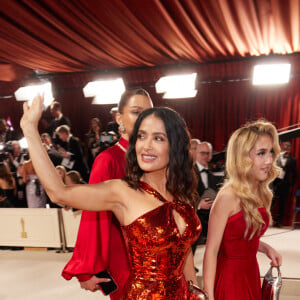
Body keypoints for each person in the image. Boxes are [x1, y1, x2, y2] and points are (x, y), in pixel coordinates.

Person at [21, 94, 202, 299]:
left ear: (175, 145)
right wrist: (30, 130)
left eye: (158, 138)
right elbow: (59, 193)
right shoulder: (122, 191)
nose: (146, 145)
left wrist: (196, 291)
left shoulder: (181, 193)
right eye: (141, 136)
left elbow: (184, 251)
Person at [63, 88, 153, 299]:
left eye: (149, 112)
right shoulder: (109, 160)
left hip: (161, 256)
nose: (145, 119)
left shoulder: (158, 157)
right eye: (136, 112)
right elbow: (92, 216)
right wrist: (86, 269)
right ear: (119, 117)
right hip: (126, 261)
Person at [203, 120, 282, 300]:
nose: (269, 160)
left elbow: (241, 237)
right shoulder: (227, 197)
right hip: (230, 279)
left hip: (251, 273)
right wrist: (208, 296)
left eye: (271, 152)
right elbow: (211, 251)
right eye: (261, 153)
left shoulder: (261, 192)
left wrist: (265, 248)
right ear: (243, 157)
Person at [194, 142, 223, 245]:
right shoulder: (188, 173)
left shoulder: (212, 173)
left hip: (211, 217)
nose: (205, 156)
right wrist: (199, 205)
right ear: (196, 154)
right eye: (202, 153)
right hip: (194, 218)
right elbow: (181, 197)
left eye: (208, 153)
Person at [272, 141, 297, 227]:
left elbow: (295, 174)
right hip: (275, 184)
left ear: (290, 149)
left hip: (285, 185)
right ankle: (267, 220)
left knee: (282, 204)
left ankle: (278, 222)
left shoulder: (293, 160)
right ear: (282, 148)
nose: (286, 149)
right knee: (271, 202)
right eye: (284, 148)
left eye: (288, 148)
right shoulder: (275, 158)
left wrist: (291, 185)